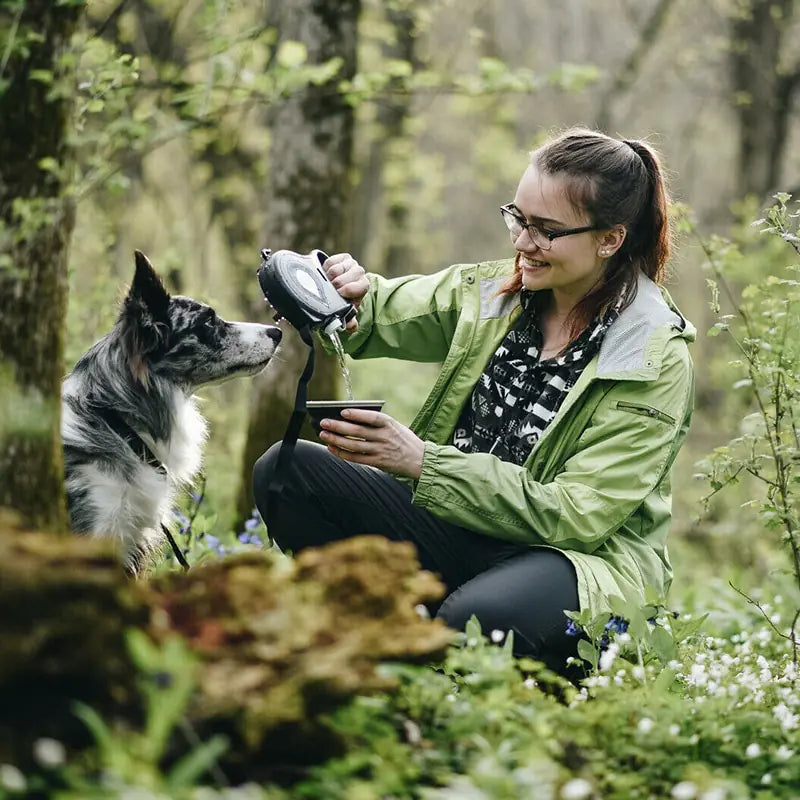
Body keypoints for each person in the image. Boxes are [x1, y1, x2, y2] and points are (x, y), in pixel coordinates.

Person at [252, 127, 695, 676]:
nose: (522, 243)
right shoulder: (502, 291)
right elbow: (391, 309)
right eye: (518, 218)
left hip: (579, 564)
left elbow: (579, 514)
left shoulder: (652, 356)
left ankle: (500, 666)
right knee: (285, 472)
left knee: (477, 619)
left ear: (610, 239)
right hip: (463, 527)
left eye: (547, 230)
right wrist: (339, 294)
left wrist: (421, 463)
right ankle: (379, 649)